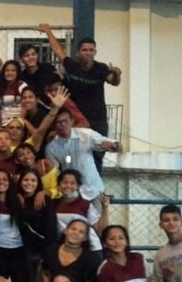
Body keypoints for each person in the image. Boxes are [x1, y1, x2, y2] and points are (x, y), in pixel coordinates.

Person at [38, 24, 122, 172]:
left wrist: (116, 74)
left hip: (97, 120)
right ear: (78, 52)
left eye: (91, 50)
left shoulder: (101, 68)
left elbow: (113, 82)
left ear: (95, 52)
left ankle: (95, 184)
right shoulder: (72, 66)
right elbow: (58, 50)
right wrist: (48, 32)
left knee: (97, 156)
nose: (88, 53)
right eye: (84, 50)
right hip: (76, 120)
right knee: (73, 155)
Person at [45, 109, 120, 200]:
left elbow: (117, 146)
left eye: (65, 121)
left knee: (101, 209)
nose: (63, 124)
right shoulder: (51, 147)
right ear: (54, 126)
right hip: (71, 193)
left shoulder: (86, 134)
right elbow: (55, 173)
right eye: (59, 122)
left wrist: (113, 145)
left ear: (72, 121)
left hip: (94, 191)